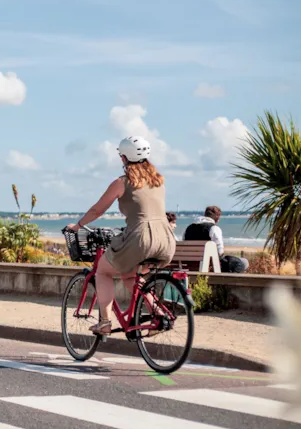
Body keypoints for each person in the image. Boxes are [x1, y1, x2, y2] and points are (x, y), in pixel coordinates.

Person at [67, 136, 176, 336]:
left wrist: (78, 225)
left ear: (124, 158)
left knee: (102, 271)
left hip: (141, 239)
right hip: (166, 240)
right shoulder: (159, 181)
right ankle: (158, 315)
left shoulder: (122, 182)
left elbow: (97, 210)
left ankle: (105, 323)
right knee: (129, 276)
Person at [184, 205, 249, 273]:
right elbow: (220, 252)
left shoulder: (188, 229)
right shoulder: (214, 228)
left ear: (205, 215)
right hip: (211, 266)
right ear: (217, 218)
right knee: (244, 262)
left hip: (190, 264)